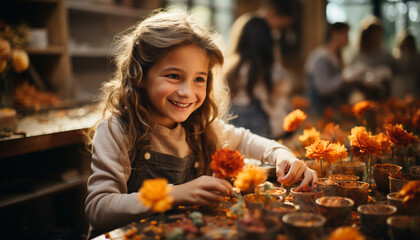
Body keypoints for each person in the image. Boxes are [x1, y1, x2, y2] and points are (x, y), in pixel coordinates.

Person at [84, 10, 317, 236]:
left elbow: (245, 139)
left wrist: (281, 154)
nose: (187, 92)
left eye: (199, 79)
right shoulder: (116, 131)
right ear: (140, 76)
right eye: (174, 76)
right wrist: (176, 194)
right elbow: (99, 208)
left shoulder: (201, 127)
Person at [224, 17, 292, 139]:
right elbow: (276, 112)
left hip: (231, 134)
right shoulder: (272, 72)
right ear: (267, 41)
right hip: (260, 137)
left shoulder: (230, 68)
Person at [343, 16, 396, 102]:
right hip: (361, 97)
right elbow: (348, 81)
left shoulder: (385, 55)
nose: (375, 38)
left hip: (382, 96)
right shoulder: (355, 56)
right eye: (372, 35)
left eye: (378, 35)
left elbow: (395, 75)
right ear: (365, 36)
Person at [305, 22, 351, 116]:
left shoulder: (337, 57)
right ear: (334, 33)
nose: (347, 38)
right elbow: (323, 88)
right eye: (345, 34)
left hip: (332, 111)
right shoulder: (321, 57)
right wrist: (344, 79)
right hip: (319, 112)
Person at [228, 0, 296, 63]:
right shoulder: (247, 26)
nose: (280, 30)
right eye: (281, 26)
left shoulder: (270, 34)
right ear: (272, 11)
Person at [392, 29, 420, 98]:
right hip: (399, 87)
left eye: (409, 45)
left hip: (413, 86)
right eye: (405, 44)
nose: (407, 47)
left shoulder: (417, 57)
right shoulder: (395, 57)